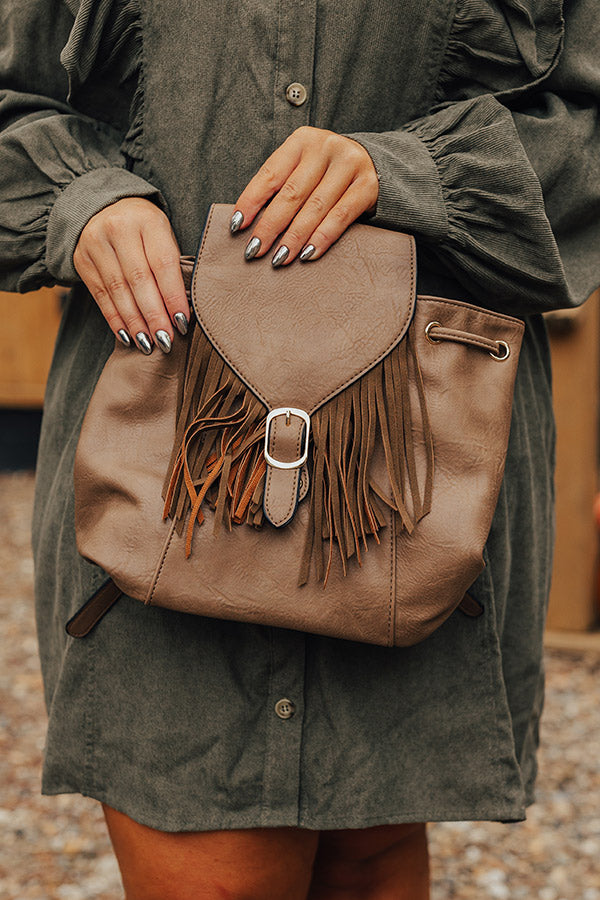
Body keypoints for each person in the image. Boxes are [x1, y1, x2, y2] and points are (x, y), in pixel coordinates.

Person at [1, 1, 599, 897]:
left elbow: (585, 129)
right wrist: (82, 199)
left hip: (416, 462)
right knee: (212, 864)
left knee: (373, 849)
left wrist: (406, 168)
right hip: (167, 444)